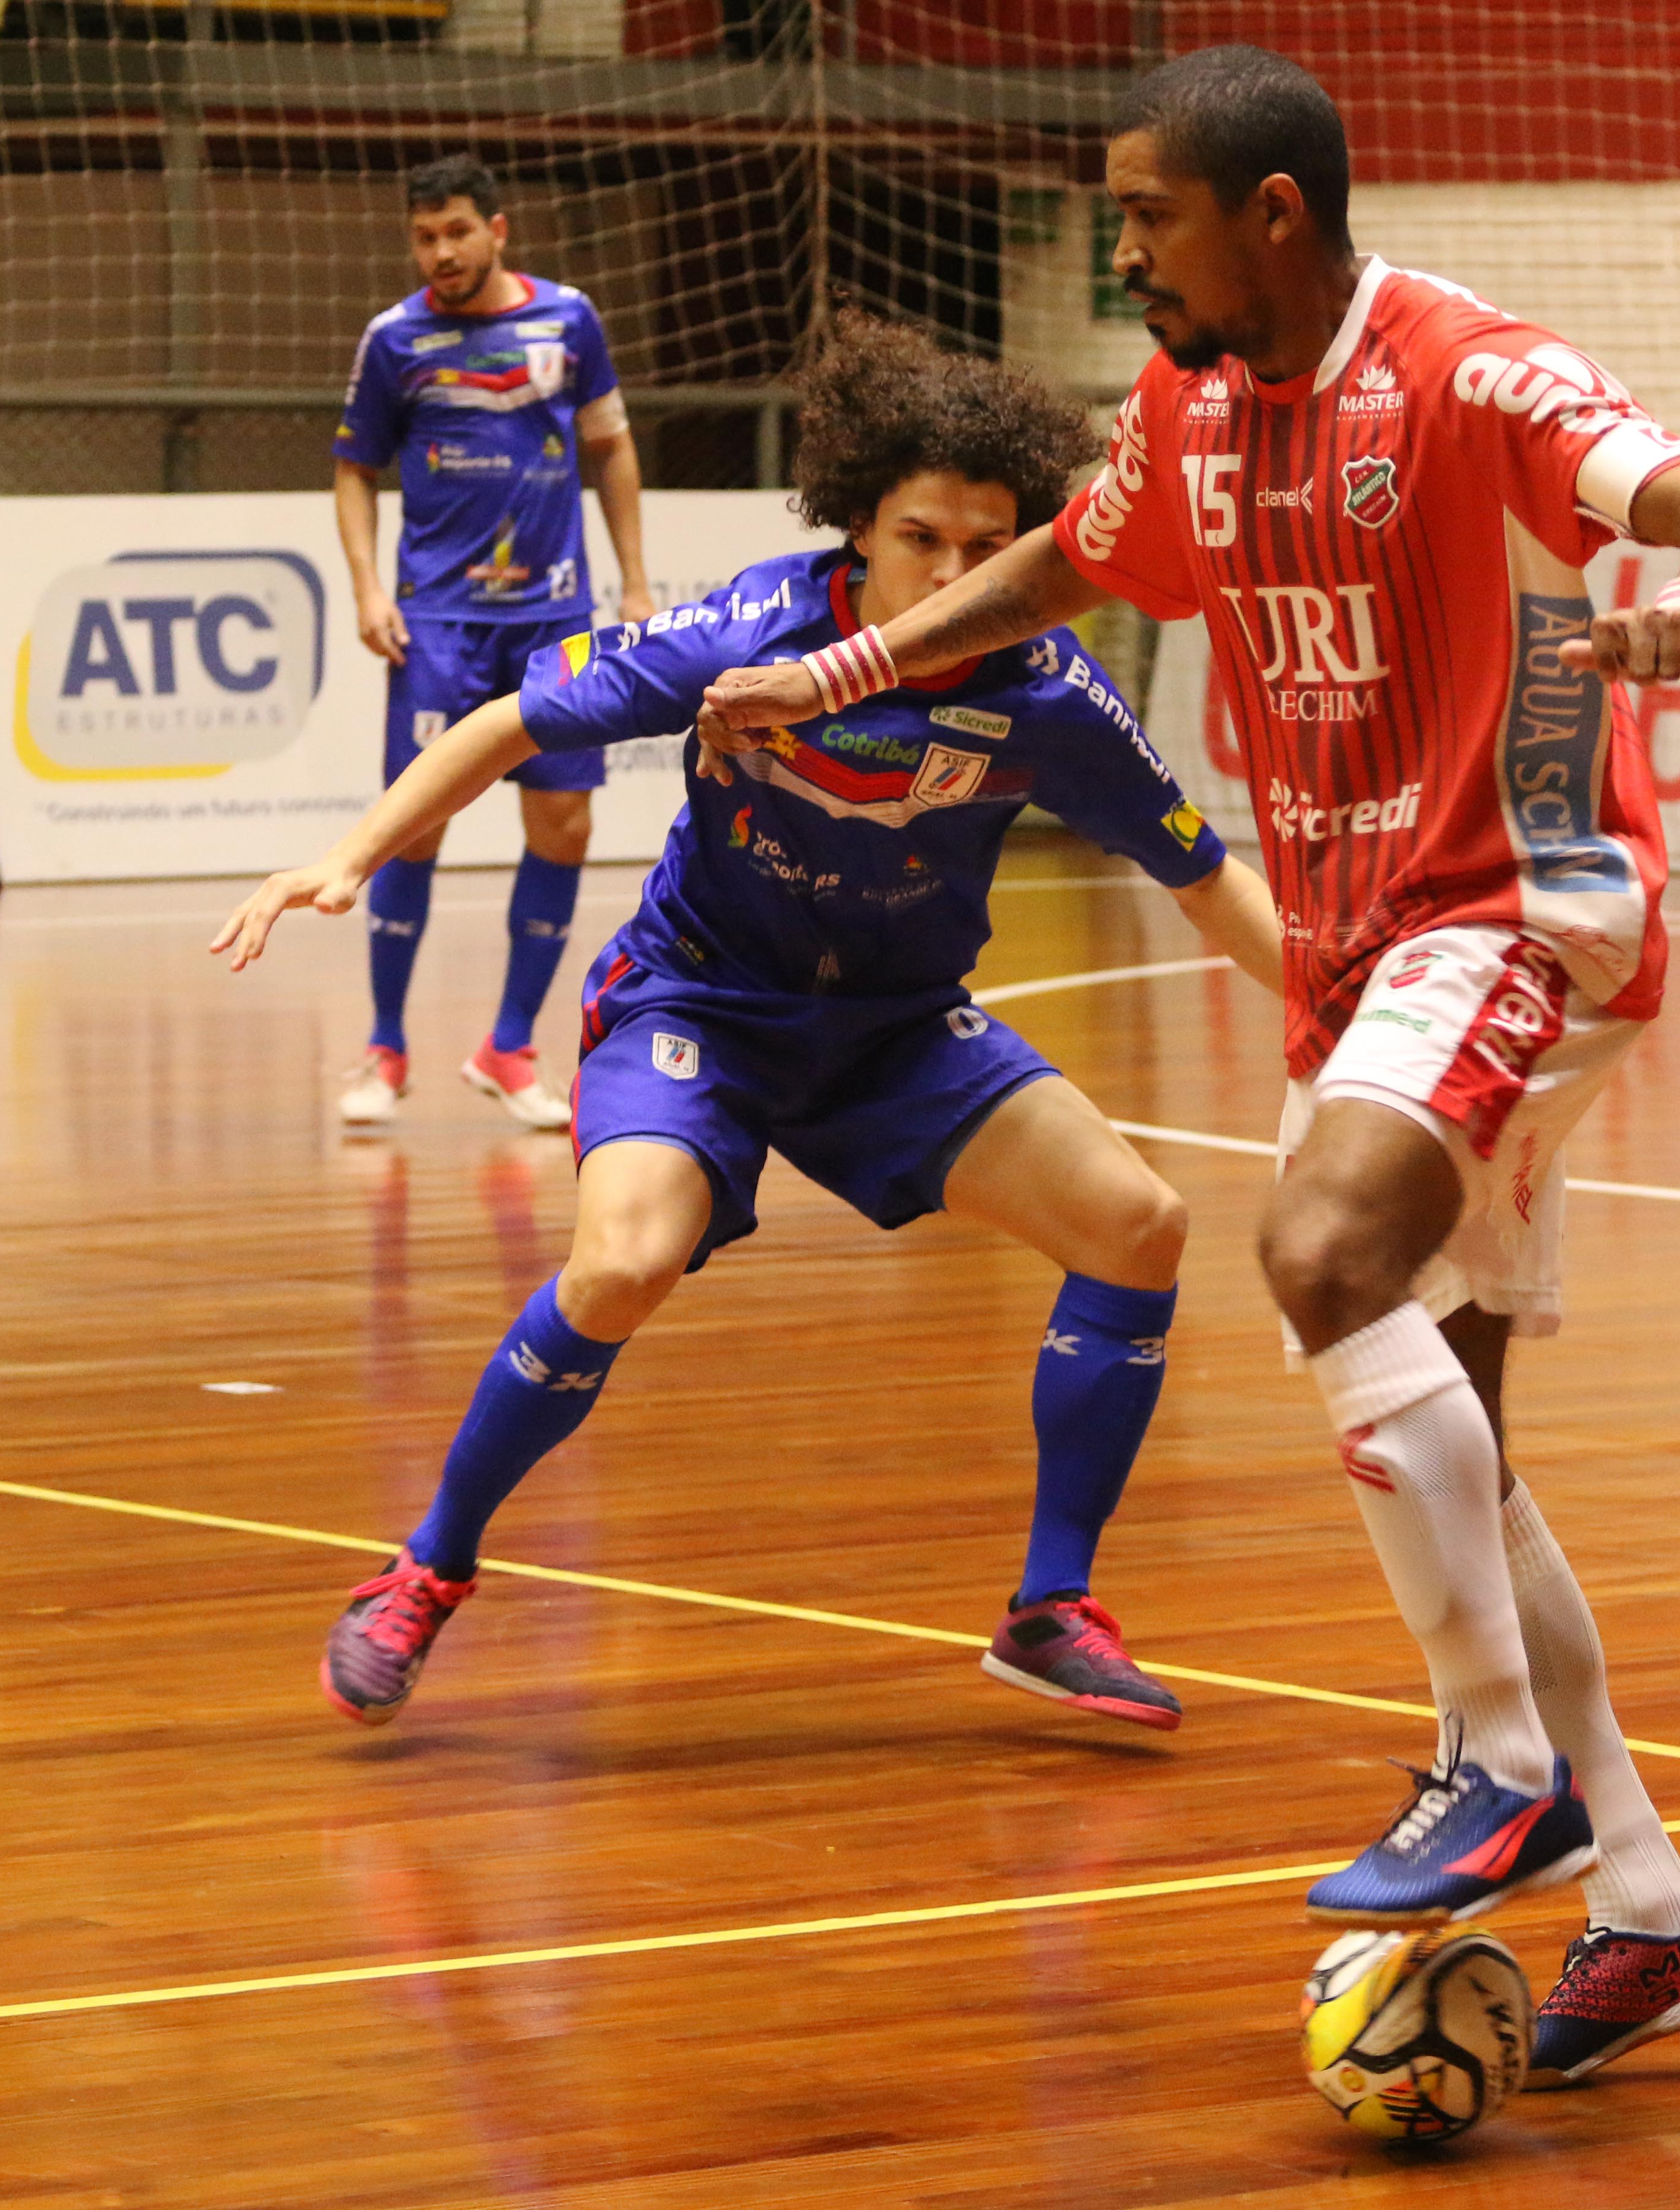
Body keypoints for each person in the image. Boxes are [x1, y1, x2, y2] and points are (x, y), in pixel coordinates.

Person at [700, 45, 1680, 2088]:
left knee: (1317, 1254)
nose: (1123, 252)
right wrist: (851, 662)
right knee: (1458, 1439)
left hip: (1524, 904)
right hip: (1364, 948)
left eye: (1148, 216)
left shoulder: (1467, 371)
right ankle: (1651, 1909)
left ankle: (1502, 1765)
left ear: (1271, 213)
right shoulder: (1188, 410)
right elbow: (1070, 561)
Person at [217, 311, 1287, 1737]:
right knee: (623, 1264)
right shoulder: (753, 630)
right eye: (920, 540)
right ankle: (428, 1567)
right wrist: (349, 858)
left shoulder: (1049, 695)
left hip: (896, 1031)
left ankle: (1049, 1610)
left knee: (1139, 1226)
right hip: (702, 1004)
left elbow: (1208, 882)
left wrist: (1353, 1014)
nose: (953, 576)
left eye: (988, 548)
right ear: (860, 528)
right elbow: (509, 723)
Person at [329, 150, 655, 1132]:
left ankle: (509, 1047)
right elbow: (353, 469)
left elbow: (611, 445)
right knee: (413, 827)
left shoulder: (570, 320)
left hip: (554, 620)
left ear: (498, 230)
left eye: (458, 232)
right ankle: (386, 1048)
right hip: (437, 624)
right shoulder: (394, 339)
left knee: (565, 827)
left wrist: (636, 581)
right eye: (424, 237)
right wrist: (367, 587)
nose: (441, 252)